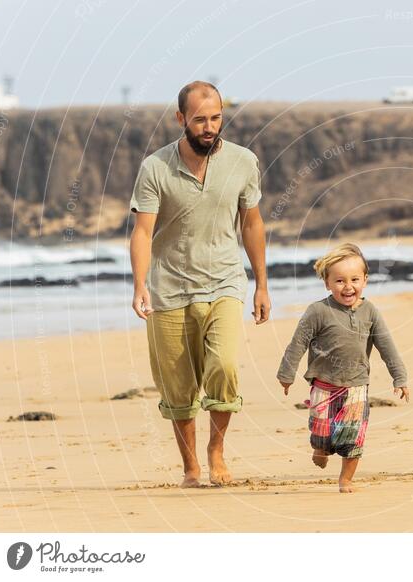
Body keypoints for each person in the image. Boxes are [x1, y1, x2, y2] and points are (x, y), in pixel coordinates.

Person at [129, 80, 271, 488]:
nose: (210, 127)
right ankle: (191, 465)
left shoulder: (244, 162)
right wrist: (140, 285)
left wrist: (261, 283)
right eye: (200, 120)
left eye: (216, 118)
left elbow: (253, 223)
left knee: (224, 365)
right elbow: (142, 232)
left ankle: (216, 450)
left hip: (225, 282)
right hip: (169, 288)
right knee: (177, 388)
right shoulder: (155, 167)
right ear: (181, 119)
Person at [277, 243, 409, 493]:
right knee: (322, 433)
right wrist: (286, 374)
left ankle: (345, 479)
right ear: (327, 283)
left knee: (352, 436)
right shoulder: (318, 311)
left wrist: (399, 377)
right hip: (323, 384)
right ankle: (320, 448)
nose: (348, 286)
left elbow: (386, 346)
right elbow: (298, 343)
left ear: (365, 280)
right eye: (339, 280)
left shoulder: (371, 312)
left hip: (356, 385)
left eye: (354, 279)